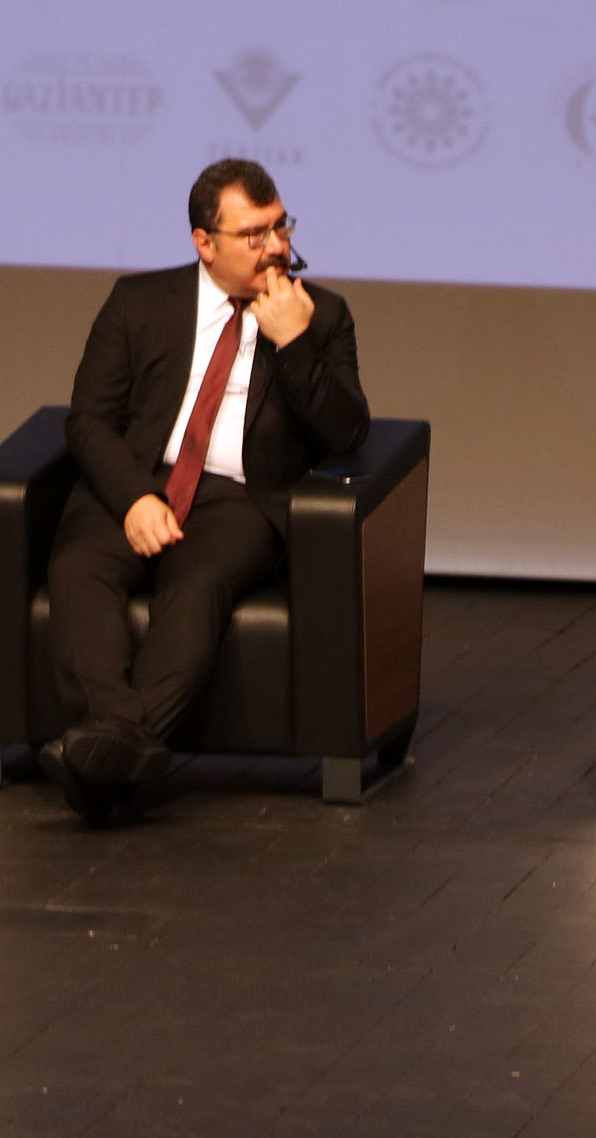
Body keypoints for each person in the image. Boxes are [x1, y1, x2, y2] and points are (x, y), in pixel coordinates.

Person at [45, 157, 369, 822]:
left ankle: (105, 750)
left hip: (241, 500)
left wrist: (295, 344)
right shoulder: (138, 302)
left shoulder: (321, 315)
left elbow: (348, 432)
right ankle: (119, 742)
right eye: (254, 234)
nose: (275, 246)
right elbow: (88, 420)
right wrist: (135, 497)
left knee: (198, 584)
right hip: (139, 481)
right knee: (78, 568)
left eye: (280, 226)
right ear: (205, 243)